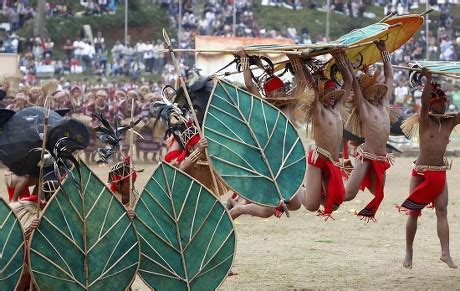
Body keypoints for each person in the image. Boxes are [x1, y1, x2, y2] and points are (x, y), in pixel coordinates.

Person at [226, 48, 309, 219]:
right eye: (275, 91)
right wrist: (244, 59)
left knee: (296, 204)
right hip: (270, 163)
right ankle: (239, 209)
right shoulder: (263, 107)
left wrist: (295, 61)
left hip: (289, 162)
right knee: (267, 211)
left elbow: (301, 86)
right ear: (269, 94)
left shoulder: (288, 106)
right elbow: (250, 86)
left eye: (281, 90)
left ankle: (239, 206)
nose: (279, 94)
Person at [398, 69, 458, 269]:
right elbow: (424, 103)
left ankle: (445, 253)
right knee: (413, 213)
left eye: (446, 102)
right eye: (442, 102)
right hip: (421, 171)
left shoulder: (450, 122)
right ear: (434, 104)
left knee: (442, 210)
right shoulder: (424, 119)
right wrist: (429, 80)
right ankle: (409, 251)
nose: (446, 105)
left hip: (439, 171)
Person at [344, 40, 395, 221]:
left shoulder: (385, 105)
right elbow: (356, 86)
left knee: (378, 192)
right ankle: (320, 191)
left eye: (380, 91)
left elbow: (389, 78)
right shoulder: (364, 107)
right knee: (348, 195)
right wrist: (346, 63)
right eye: (375, 91)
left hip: (381, 157)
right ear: (367, 93)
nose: (380, 93)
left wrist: (384, 52)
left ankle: (333, 179)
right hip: (366, 155)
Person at [300, 50, 352, 218]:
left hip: (333, 160)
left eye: (333, 95)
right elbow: (310, 88)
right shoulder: (318, 111)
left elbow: (349, 81)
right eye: (328, 96)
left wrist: (340, 58)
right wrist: (299, 64)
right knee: (311, 206)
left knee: (336, 203)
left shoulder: (337, 108)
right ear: (321, 96)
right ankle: (297, 189)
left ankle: (313, 188)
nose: (332, 98)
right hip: (318, 158)